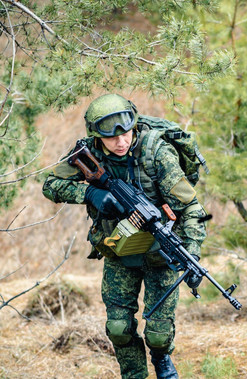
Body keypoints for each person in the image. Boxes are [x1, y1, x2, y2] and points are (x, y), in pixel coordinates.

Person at [42, 94, 208, 379]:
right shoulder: (88, 151)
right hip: (118, 251)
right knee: (119, 328)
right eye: (112, 138)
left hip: (161, 253)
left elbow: (192, 208)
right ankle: (134, 374)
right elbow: (50, 184)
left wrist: (192, 253)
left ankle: (160, 356)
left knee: (158, 334)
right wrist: (90, 193)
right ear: (97, 135)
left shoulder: (156, 152)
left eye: (127, 134)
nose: (121, 142)